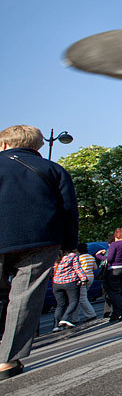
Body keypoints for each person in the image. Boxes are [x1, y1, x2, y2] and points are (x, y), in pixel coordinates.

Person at [1, 125, 79, 380]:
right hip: (42, 238)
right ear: (37, 146)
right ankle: (6, 360)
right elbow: (68, 210)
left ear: (4, 145)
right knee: (25, 297)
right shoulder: (53, 169)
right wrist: (69, 245)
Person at [51, 249, 89, 331]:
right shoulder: (72, 256)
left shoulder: (55, 255)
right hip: (70, 282)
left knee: (60, 305)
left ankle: (56, 325)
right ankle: (65, 318)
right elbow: (77, 268)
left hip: (57, 283)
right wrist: (84, 278)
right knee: (73, 301)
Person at [74, 242, 99, 324]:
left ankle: (90, 314)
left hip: (82, 278)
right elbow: (95, 267)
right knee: (81, 296)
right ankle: (76, 317)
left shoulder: (78, 258)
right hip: (90, 277)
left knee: (81, 297)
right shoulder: (90, 257)